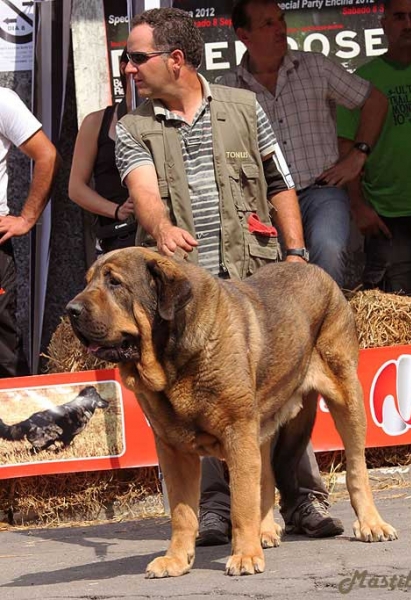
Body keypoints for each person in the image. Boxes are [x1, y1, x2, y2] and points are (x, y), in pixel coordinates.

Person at [115, 7, 343, 546]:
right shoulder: (132, 126)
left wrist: (294, 252)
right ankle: (218, 510)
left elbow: (279, 181)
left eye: (136, 57)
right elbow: (142, 190)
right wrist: (161, 226)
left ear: (175, 60)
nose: (127, 67)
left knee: (281, 393)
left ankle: (303, 496)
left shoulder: (244, 107)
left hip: (255, 281)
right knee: (193, 404)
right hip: (183, 299)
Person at [220, 0, 389, 288]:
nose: (280, 29)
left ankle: (328, 325)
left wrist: (359, 154)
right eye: (268, 24)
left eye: (281, 19)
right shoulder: (228, 88)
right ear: (243, 35)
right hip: (264, 202)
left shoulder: (315, 67)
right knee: (273, 277)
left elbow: (375, 100)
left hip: (321, 191)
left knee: (330, 250)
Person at [338, 0, 411, 298]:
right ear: (384, 23)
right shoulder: (362, 79)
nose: (408, 24)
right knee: (394, 328)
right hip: (389, 222)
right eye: (399, 17)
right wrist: (358, 206)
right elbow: (346, 147)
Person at [0, 87, 59, 378]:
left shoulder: (2, 100)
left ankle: (12, 422)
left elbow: (47, 156)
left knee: (3, 349)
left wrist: (27, 218)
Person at [69, 48, 136, 255]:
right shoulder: (96, 122)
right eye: (137, 60)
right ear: (124, 67)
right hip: (119, 237)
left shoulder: (166, 116)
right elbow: (76, 188)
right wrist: (117, 211)